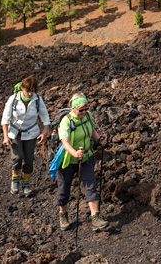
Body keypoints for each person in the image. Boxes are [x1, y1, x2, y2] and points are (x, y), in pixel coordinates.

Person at [55, 93, 108, 232]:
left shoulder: (88, 116)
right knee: (63, 189)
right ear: (73, 108)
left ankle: (95, 217)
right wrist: (74, 153)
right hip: (67, 161)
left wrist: (99, 140)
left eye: (86, 109)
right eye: (81, 110)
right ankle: (63, 215)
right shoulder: (66, 121)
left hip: (85, 158)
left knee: (91, 185)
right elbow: (65, 142)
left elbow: (92, 131)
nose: (84, 112)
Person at [1, 76, 51, 197]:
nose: (29, 94)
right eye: (27, 91)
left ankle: (26, 182)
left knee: (29, 160)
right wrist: (6, 136)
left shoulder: (38, 99)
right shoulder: (13, 99)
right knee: (17, 158)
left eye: (32, 91)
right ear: (22, 88)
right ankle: (15, 179)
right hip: (15, 133)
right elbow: (5, 118)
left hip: (31, 133)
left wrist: (44, 133)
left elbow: (45, 117)